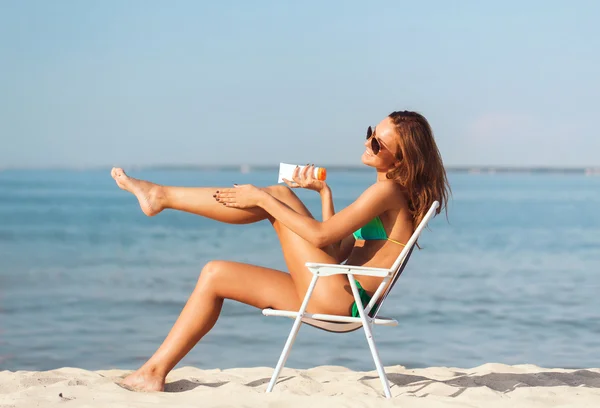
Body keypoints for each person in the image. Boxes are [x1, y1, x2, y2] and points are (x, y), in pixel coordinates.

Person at [112, 110, 451, 391]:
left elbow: (319, 240)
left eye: (377, 142)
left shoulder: (388, 192)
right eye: (369, 133)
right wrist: (323, 193)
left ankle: (162, 196)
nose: (367, 143)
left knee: (279, 195)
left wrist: (263, 200)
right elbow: (334, 251)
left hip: (341, 299)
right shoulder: (385, 193)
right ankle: (153, 373)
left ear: (401, 157)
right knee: (215, 274)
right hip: (335, 291)